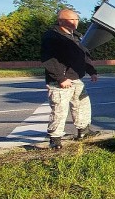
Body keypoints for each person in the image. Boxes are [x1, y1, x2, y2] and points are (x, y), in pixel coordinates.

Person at [41, 9, 100, 149]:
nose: (75, 23)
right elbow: (49, 60)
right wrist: (60, 78)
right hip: (60, 81)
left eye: (76, 20)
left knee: (82, 104)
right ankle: (55, 139)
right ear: (60, 21)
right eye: (71, 20)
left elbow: (84, 56)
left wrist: (91, 71)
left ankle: (83, 131)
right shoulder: (52, 36)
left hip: (76, 79)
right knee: (60, 109)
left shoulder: (76, 36)